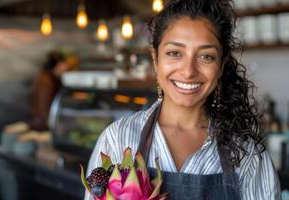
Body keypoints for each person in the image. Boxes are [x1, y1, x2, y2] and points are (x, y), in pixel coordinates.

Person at [85, 0, 281, 199]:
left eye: (206, 56)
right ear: (156, 59)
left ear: (221, 66)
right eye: (174, 53)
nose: (188, 71)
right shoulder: (118, 139)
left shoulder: (248, 155)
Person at [28, 51, 78, 131]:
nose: (65, 68)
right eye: (63, 65)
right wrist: (54, 125)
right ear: (58, 65)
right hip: (41, 126)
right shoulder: (46, 82)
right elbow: (44, 107)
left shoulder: (49, 78)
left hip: (41, 123)